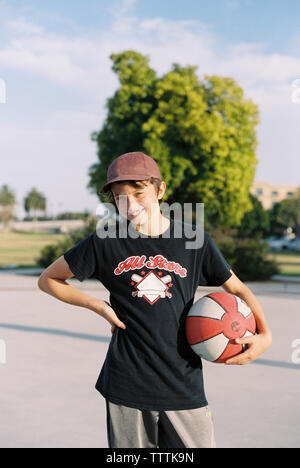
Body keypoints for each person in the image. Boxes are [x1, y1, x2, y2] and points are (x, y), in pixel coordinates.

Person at [37, 152, 272, 448]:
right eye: (120, 198)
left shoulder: (193, 240)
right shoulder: (106, 241)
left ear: (160, 191)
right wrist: (100, 307)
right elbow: (49, 279)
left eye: (139, 193)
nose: (131, 205)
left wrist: (266, 335)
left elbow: (238, 289)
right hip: (127, 383)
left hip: (183, 383)